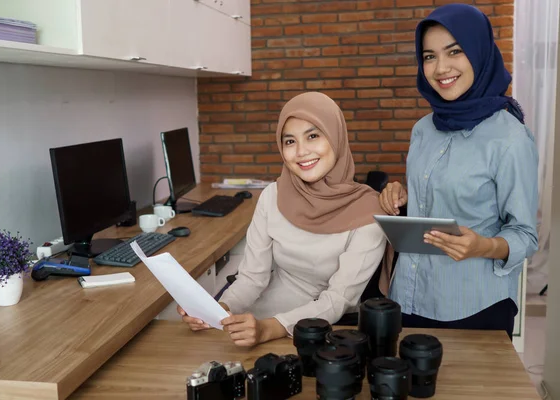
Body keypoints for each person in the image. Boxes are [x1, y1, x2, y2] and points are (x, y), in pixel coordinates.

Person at [379, 3, 538, 338]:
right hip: (409, 297)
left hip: (475, 306)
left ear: (479, 53)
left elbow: (525, 235)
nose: (441, 67)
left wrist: (483, 246)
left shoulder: (509, 137)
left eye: (455, 51)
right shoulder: (423, 129)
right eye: (429, 56)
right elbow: (436, 202)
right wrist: (404, 197)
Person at [177, 92, 387, 346]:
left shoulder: (369, 212)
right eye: (289, 141)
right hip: (260, 316)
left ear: (336, 136)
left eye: (313, 136)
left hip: (321, 330)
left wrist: (270, 329)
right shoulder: (272, 196)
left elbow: (339, 299)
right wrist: (218, 309)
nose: (301, 152)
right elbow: (252, 277)